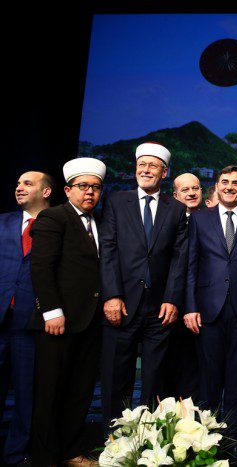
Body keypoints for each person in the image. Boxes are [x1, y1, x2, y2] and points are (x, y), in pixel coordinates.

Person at [99, 142, 188, 422]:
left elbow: (179, 258)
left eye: (152, 166)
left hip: (159, 308)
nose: (146, 170)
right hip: (122, 303)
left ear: (164, 172)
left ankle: (149, 437)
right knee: (116, 376)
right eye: (141, 165)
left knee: (155, 378)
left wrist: (172, 298)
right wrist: (112, 295)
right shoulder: (116, 201)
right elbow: (108, 250)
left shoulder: (176, 209)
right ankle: (114, 437)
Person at [184, 165, 237, 464]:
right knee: (208, 384)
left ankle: (233, 445)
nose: (230, 187)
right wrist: (190, 306)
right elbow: (191, 265)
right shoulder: (199, 219)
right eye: (225, 182)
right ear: (217, 186)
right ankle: (205, 446)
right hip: (207, 311)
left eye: (236, 183)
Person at [29, 158, 105, 466]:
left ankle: (72, 452)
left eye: (95, 187)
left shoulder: (100, 221)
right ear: (68, 189)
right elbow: (41, 267)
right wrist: (51, 311)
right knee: (50, 393)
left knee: (81, 390)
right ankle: (44, 458)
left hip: (91, 321)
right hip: (59, 321)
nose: (89, 192)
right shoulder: (53, 217)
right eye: (83, 186)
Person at [0, 171, 52, 465]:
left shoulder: (58, 224)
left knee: (26, 393)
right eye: (18, 183)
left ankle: (17, 454)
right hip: (1, 318)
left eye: (27, 184)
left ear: (46, 192)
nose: (19, 188)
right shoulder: (3, 222)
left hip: (31, 321)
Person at [165, 173, 202, 400]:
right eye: (185, 190)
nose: (191, 193)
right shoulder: (166, 220)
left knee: (195, 365)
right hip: (168, 304)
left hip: (201, 305)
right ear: (175, 195)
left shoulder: (211, 220)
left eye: (195, 188)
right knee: (168, 364)